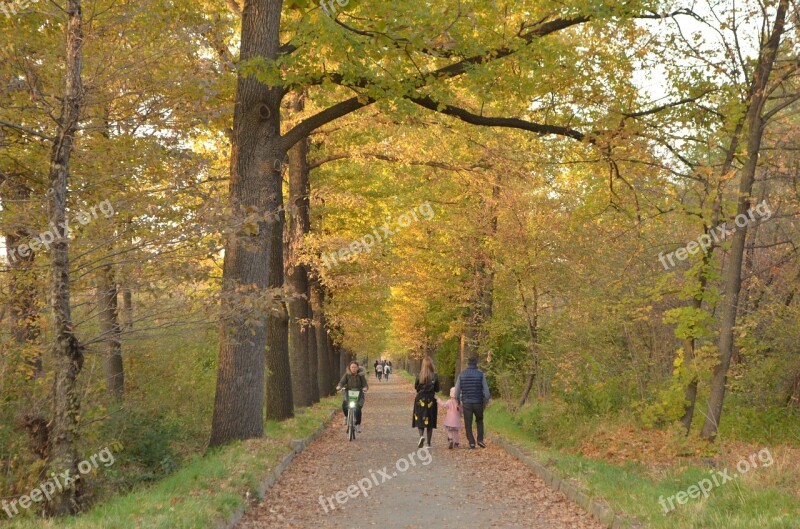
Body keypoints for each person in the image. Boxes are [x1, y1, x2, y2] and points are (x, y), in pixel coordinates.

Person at [454, 355, 490, 449]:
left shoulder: (462, 374)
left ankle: (471, 442)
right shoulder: (481, 374)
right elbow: (486, 390)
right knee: (479, 421)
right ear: (476, 363)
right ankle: (480, 440)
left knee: (468, 423)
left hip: (467, 403)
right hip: (478, 402)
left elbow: (457, 390)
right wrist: (486, 400)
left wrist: (458, 400)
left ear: (468, 364)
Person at [412, 356, 439, 448]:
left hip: (420, 398)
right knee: (430, 420)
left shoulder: (419, 375)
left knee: (420, 418)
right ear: (431, 365)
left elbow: (416, 387)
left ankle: (421, 436)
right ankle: (429, 443)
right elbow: (437, 389)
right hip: (431, 399)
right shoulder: (435, 376)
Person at [336, 361, 369, 433]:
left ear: (357, 368)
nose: (353, 369)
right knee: (344, 405)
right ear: (349, 368)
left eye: (355, 367)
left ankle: (358, 425)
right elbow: (342, 382)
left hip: (358, 393)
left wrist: (365, 388)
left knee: (358, 408)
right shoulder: (347, 375)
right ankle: (346, 416)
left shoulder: (361, 376)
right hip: (348, 392)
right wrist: (339, 386)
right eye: (352, 367)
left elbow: (365, 384)